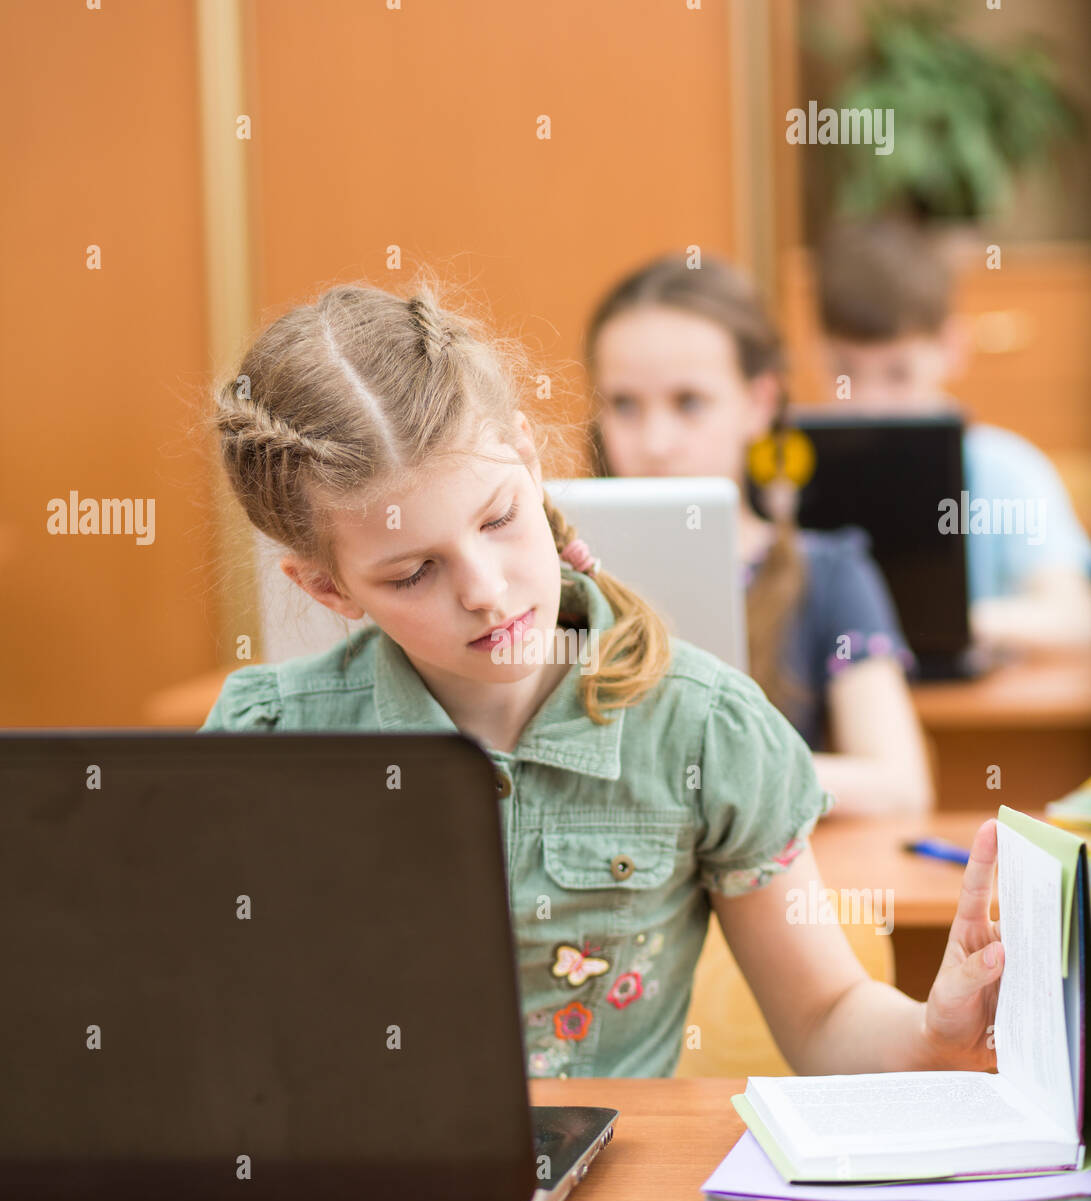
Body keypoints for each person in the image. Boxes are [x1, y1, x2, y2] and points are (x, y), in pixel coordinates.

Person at [198, 275, 1002, 1080]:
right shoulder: (267, 740)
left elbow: (826, 1018)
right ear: (327, 589)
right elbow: (210, 1028)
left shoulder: (703, 727)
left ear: (526, 456)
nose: (485, 590)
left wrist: (933, 1035)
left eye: (498, 520)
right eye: (412, 573)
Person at [585, 254, 934, 817]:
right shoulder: (555, 579)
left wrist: (713, 767)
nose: (655, 441)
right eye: (623, 404)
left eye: (689, 402)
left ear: (759, 403)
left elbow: (900, 785)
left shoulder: (829, 570)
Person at [815, 217, 1091, 651]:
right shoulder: (799, 471)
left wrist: (944, 621)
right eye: (844, 372)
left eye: (898, 373)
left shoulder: (1007, 470)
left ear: (951, 349)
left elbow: (1074, 614)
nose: (869, 402)